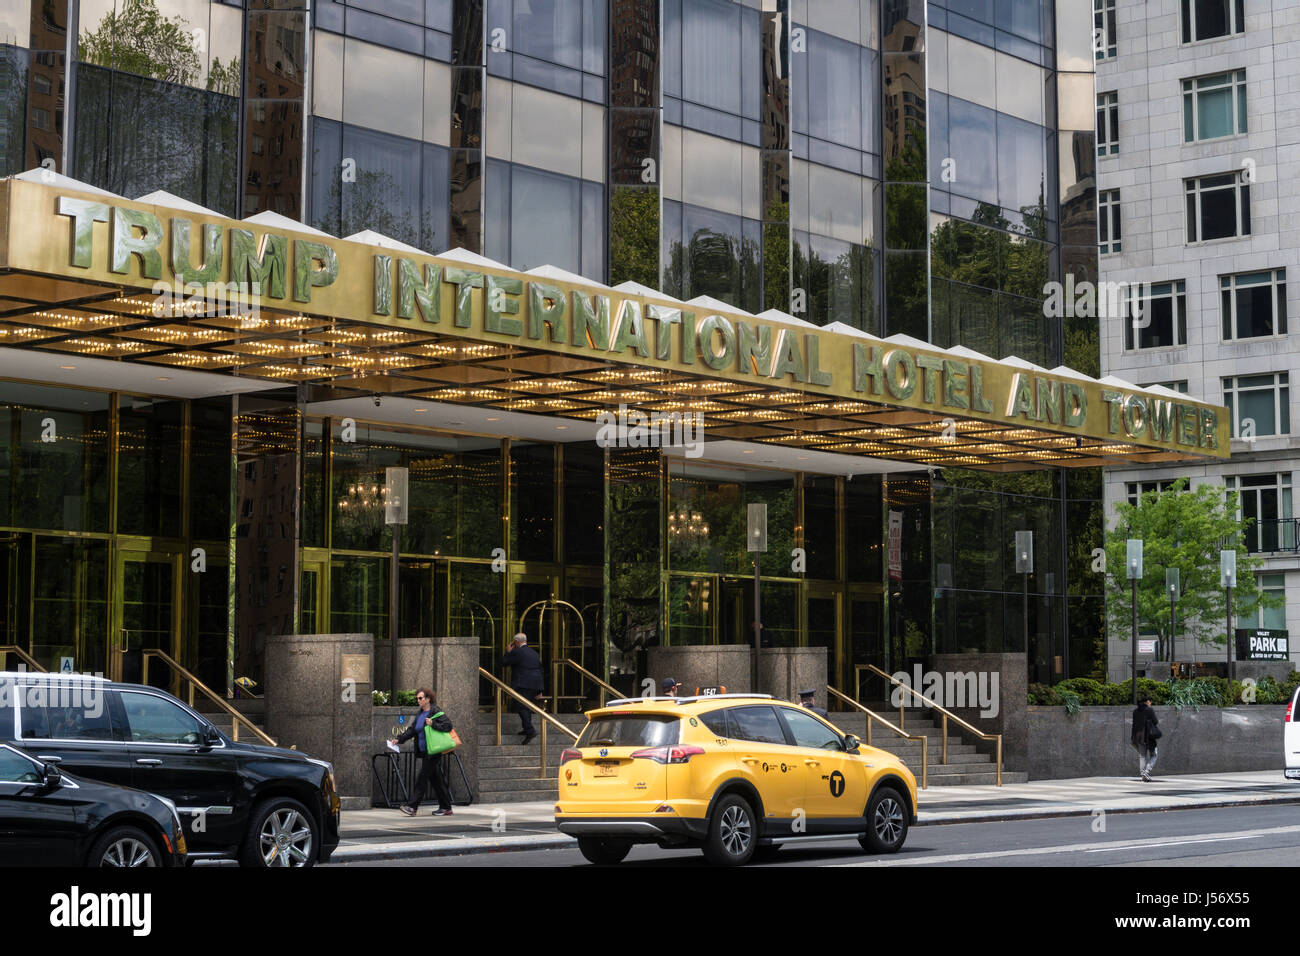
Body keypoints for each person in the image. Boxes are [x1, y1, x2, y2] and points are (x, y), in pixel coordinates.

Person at [388, 688, 455, 816]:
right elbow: (412, 730)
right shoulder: (420, 714)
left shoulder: (435, 711)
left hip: (434, 751)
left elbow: (448, 726)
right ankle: (446, 807)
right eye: (417, 698)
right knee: (436, 780)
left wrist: (433, 724)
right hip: (424, 751)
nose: (418, 700)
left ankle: (412, 807)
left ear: (428, 699)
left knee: (422, 778)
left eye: (420, 698)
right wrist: (399, 739)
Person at [502, 632, 544, 744]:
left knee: (521, 707)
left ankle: (530, 731)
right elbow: (540, 670)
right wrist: (540, 690)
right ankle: (526, 729)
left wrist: (508, 652)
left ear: (516, 642)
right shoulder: (534, 653)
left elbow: (504, 662)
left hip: (522, 684)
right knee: (527, 706)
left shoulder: (517, 652)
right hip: (535, 685)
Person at [1130, 694, 1161, 782]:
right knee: (1154, 754)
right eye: (1150, 702)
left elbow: (1134, 724)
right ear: (1147, 702)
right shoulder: (1149, 710)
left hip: (1137, 736)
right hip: (1148, 736)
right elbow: (1155, 721)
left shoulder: (1135, 711)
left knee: (1142, 756)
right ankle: (1146, 771)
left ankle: (1143, 774)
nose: (1151, 703)